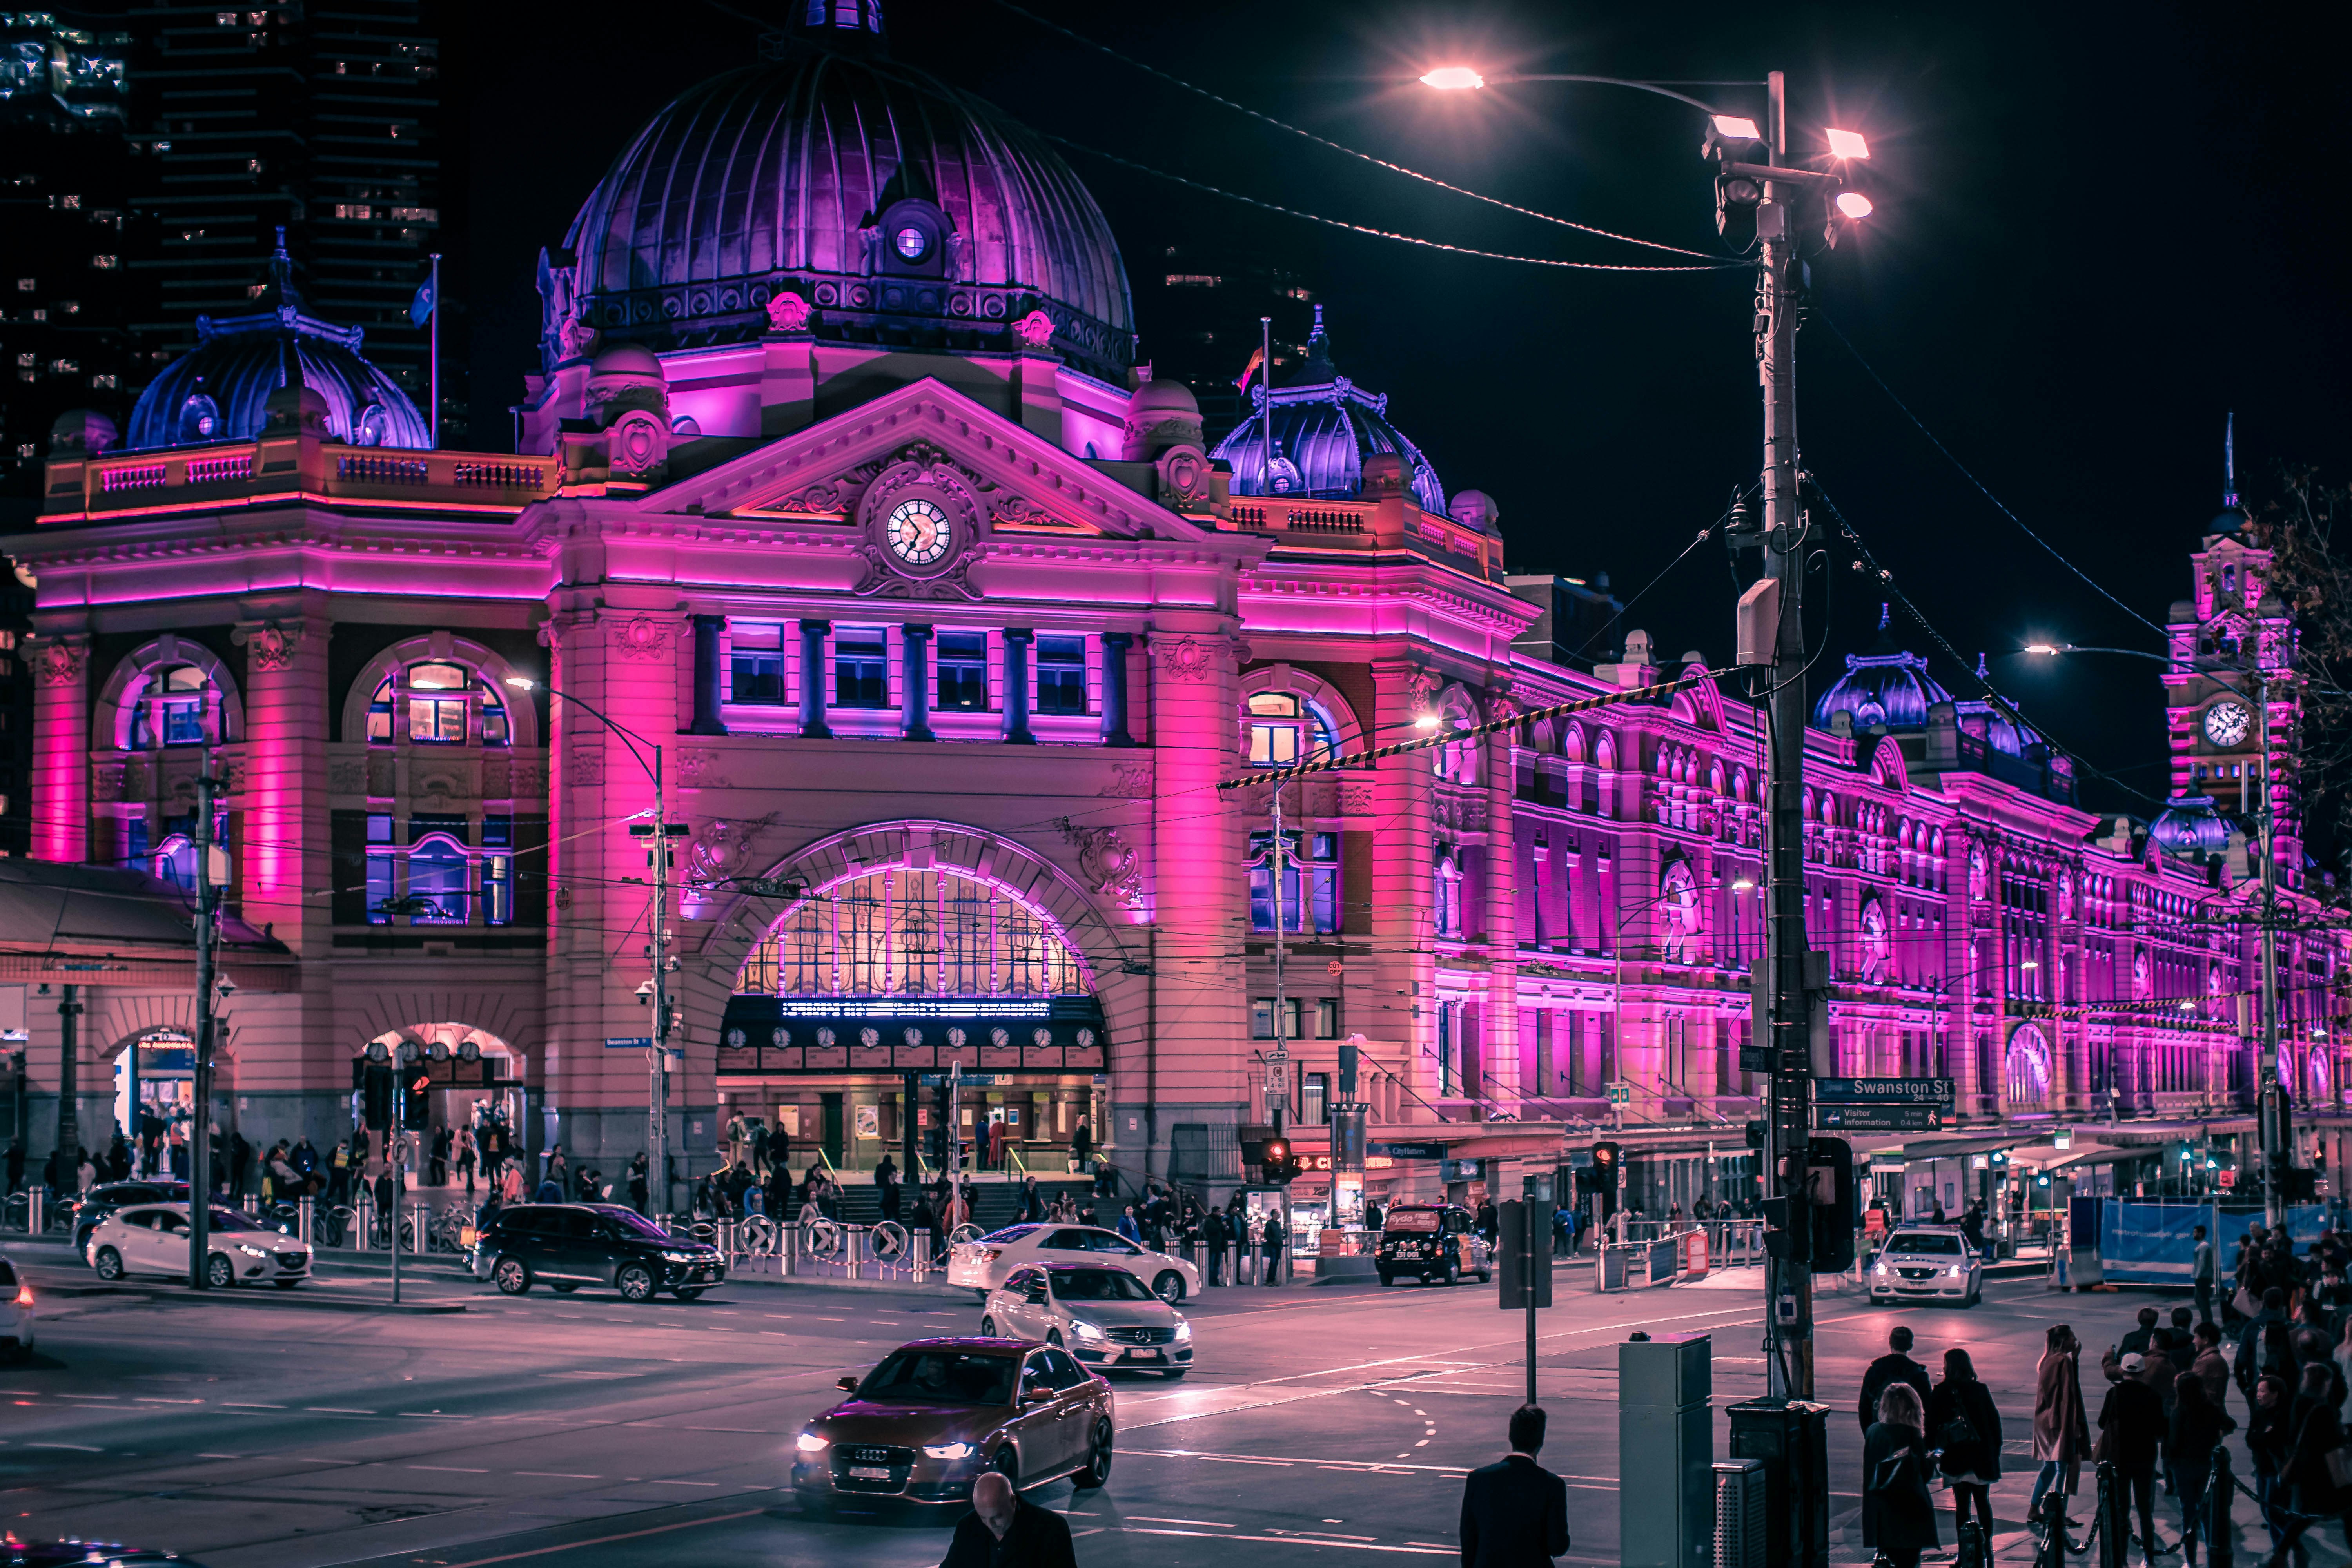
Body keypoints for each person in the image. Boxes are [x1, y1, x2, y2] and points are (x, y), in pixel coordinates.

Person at [1458, 1405, 1570, 1568]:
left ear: (1511, 1436)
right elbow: (1557, 1546)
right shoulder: (1552, 1485)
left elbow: (1469, 1542)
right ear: (1541, 1441)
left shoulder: (1478, 1479)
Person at [2268, 1361, 2352, 1566]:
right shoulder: (2323, 1409)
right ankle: (2280, 1554)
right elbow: (2332, 1442)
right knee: (2346, 1512)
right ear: (2325, 1383)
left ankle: (2280, 1555)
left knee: (2306, 1515)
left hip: (2307, 1472)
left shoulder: (2300, 1403)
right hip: (2328, 1473)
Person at [1926, 1346, 2002, 1546]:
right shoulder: (1980, 1389)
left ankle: (1965, 1550)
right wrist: (1995, 1451)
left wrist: (1935, 1452)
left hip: (1955, 1457)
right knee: (1983, 1503)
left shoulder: (1941, 1392)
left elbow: (1932, 1426)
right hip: (1980, 1456)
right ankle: (1986, 1547)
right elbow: (1994, 1423)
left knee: (1962, 1506)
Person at [2099, 1352, 2168, 1558]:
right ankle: (2149, 1556)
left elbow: (2103, 1423)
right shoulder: (2152, 1395)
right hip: (2145, 1456)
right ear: (2143, 1371)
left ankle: (2121, 1557)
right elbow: (2161, 1429)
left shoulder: (2114, 1394)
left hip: (2120, 1456)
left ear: (2123, 1370)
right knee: (2145, 1509)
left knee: (2122, 1508)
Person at [1863, 1381, 1939, 1568]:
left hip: (1882, 1511)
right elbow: (1922, 1475)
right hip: (1909, 1511)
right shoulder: (1912, 1434)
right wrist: (1933, 1460)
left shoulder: (1873, 1432)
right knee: (1909, 1562)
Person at [939, 1469, 1078, 1568]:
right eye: (983, 1518)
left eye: (997, 1517)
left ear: (1013, 1501)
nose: (991, 1525)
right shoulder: (968, 1527)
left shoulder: (1051, 1529)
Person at [2030, 1324, 2092, 1532]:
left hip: (2044, 1421)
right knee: (2063, 1468)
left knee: (2049, 1467)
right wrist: (2073, 1424)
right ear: (2063, 1340)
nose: (2075, 1339)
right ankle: (2059, 1512)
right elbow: (2068, 1395)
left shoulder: (2047, 1360)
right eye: (2072, 1336)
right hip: (2060, 1422)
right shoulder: (2063, 1361)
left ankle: (2034, 1508)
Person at [2171, 1370, 2236, 1566]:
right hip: (2207, 1464)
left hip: (2184, 1467)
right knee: (2209, 1513)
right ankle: (2211, 1554)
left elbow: (2173, 1443)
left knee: (2188, 1514)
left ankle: (2190, 1561)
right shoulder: (2210, 1408)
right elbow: (2230, 1424)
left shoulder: (2180, 1411)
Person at [1860, 1325, 1934, 1435]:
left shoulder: (1875, 1370)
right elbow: (1927, 1409)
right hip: (1909, 1433)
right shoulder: (1919, 1374)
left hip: (1881, 1431)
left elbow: (1864, 1407)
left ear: (1891, 1344)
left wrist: (1870, 1435)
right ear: (1910, 1346)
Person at [2193, 1223, 2218, 1324]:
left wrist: (2198, 1276)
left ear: (2200, 1234)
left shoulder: (2204, 1246)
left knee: (2203, 1300)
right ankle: (2206, 1320)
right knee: (2200, 1299)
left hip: (2203, 1277)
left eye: (2195, 1232)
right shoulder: (2202, 1245)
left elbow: (2202, 1262)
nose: (2193, 1235)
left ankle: (2207, 1322)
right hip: (2203, 1277)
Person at [1204, 1204, 1229, 1287]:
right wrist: (1221, 1226)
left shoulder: (1219, 1220)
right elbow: (1212, 1230)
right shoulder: (1210, 1220)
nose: (1220, 1213)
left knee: (1217, 1264)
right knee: (1212, 1263)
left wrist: (1224, 1228)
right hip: (1212, 1245)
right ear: (1214, 1212)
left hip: (1218, 1245)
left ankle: (1215, 1280)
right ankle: (1211, 1280)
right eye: (1219, 1212)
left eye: (1221, 1212)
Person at [1262, 1207, 1285, 1287]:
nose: (1278, 1215)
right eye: (1277, 1213)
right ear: (1274, 1215)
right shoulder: (1269, 1223)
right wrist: (1273, 1241)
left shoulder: (1278, 1224)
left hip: (1278, 1245)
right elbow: (1267, 1234)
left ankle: (1273, 1279)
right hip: (1272, 1245)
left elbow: (1280, 1235)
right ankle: (1269, 1280)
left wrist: (1280, 1242)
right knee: (1273, 1262)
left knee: (1276, 1263)